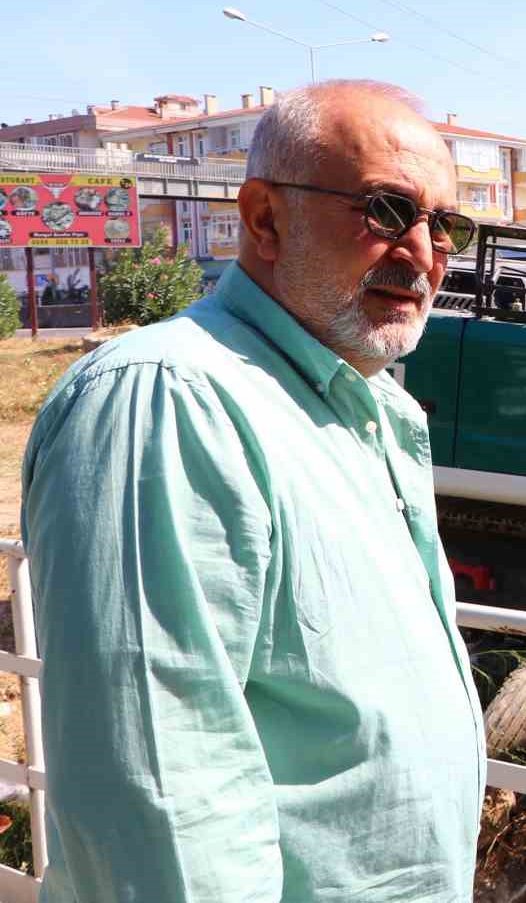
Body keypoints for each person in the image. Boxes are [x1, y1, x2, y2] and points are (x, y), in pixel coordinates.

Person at [21, 80, 486, 902]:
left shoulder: (369, 410)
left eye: (444, 224)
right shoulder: (169, 401)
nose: (422, 252)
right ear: (265, 218)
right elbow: (162, 802)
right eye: (385, 211)